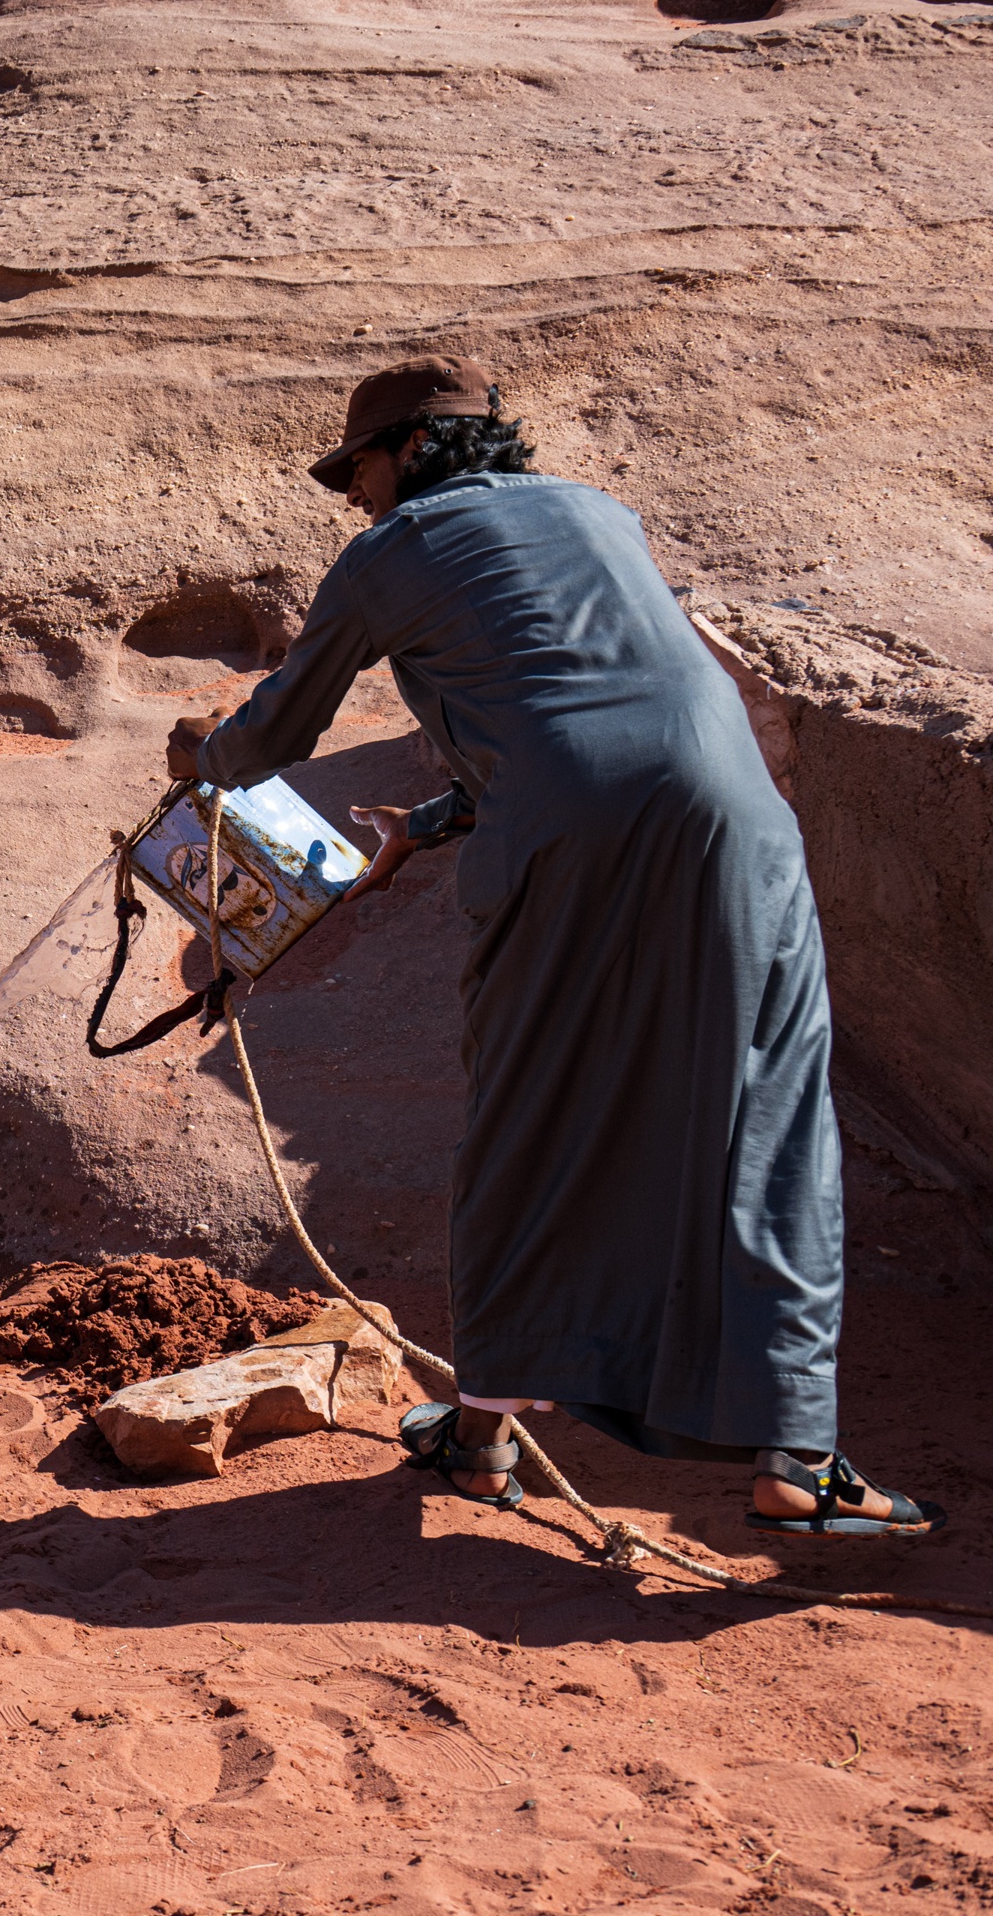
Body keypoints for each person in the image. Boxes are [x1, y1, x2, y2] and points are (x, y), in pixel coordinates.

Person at [164, 356, 941, 1539]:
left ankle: (479, 1439)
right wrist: (423, 824)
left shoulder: (390, 549)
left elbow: (280, 730)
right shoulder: (600, 514)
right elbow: (604, 701)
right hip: (737, 821)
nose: (357, 494)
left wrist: (198, 762)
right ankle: (799, 1456)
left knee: (534, 1120)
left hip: (565, 841)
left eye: (361, 467)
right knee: (770, 1118)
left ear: (415, 449)